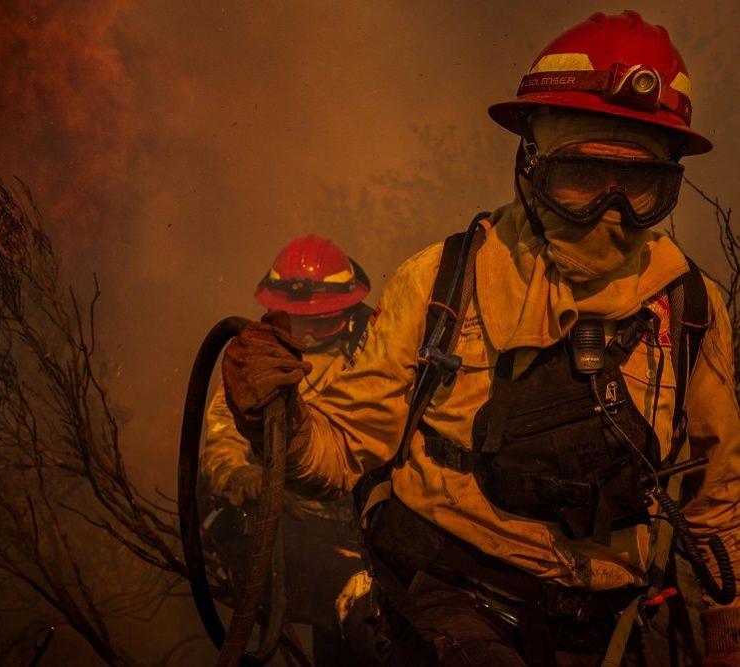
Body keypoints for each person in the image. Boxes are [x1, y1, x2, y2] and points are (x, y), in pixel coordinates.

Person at [220, 11, 740, 666]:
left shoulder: (690, 309)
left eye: (639, 187)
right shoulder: (440, 282)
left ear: (668, 187)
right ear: (531, 167)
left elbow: (717, 496)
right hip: (448, 600)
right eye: (581, 177)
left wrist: (727, 626)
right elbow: (340, 454)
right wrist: (271, 415)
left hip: (607, 627)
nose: (612, 212)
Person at [202, 235, 378, 665]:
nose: (312, 334)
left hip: (364, 519)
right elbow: (221, 435)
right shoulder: (257, 357)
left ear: (350, 308)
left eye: (326, 321)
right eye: (302, 322)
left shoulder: (378, 349)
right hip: (289, 524)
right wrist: (244, 479)